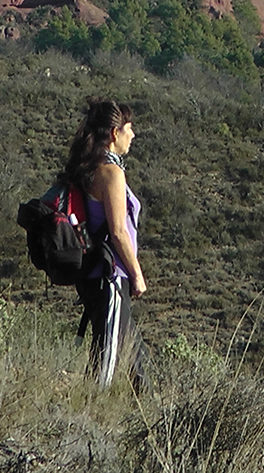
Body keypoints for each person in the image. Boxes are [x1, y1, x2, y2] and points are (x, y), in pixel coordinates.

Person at [63, 97, 148, 389]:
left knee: (139, 363)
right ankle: (90, 415)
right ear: (115, 133)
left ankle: (149, 421)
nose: (133, 135)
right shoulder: (111, 173)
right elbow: (119, 231)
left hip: (96, 275)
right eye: (129, 128)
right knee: (106, 363)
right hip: (109, 276)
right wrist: (137, 275)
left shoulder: (90, 167)